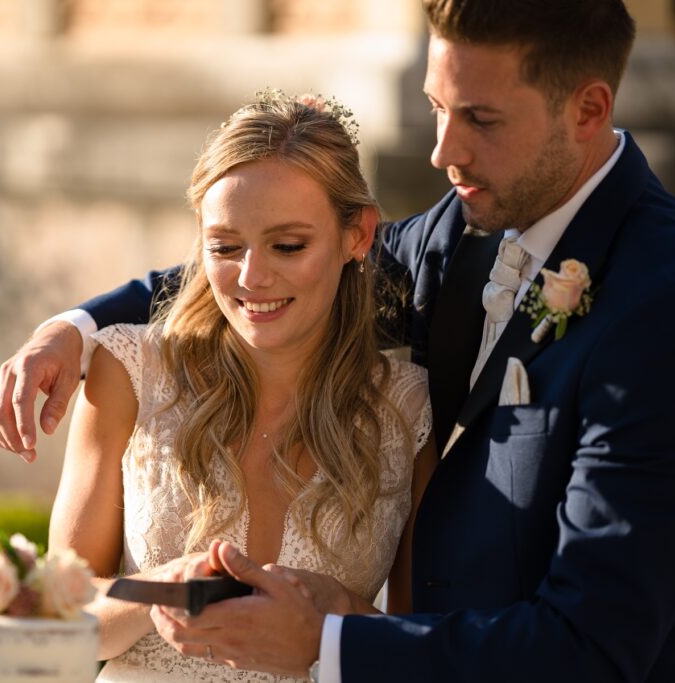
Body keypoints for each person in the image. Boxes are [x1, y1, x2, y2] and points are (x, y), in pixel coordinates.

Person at [0, 0, 675, 679]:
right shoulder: (468, 222)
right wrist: (72, 329)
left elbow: (592, 648)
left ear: (588, 109)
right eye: (436, 108)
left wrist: (328, 638)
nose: (441, 151)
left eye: (480, 118)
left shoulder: (671, 310)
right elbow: (256, 272)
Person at [41, 91, 436, 682]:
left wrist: (332, 616)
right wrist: (161, 590)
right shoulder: (127, 371)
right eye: (225, 246)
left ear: (358, 235)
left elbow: (420, 649)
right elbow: (55, 619)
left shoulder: (407, 409)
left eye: (288, 245)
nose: (252, 277)